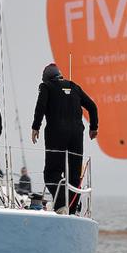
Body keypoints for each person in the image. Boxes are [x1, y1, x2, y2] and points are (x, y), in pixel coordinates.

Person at [31, 62, 98, 215]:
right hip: (76, 135)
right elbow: (93, 106)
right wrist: (94, 127)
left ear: (46, 78)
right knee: (74, 175)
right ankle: (73, 211)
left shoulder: (46, 86)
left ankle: (61, 206)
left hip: (56, 134)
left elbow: (40, 106)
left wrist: (36, 126)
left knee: (51, 173)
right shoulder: (74, 86)